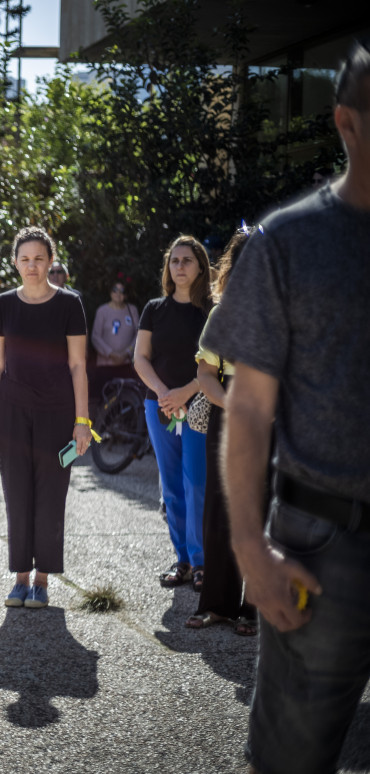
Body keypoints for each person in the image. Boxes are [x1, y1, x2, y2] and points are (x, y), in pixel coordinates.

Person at [201, 40, 370, 774]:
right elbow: (247, 408)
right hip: (322, 547)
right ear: (347, 123)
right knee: (291, 762)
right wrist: (250, 549)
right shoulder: (287, 244)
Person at [0, 227, 90, 609]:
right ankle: (20, 578)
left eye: (39, 258)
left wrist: (83, 421)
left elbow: (78, 366)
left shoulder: (70, 305)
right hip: (11, 411)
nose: (32, 265)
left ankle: (42, 579)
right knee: (17, 494)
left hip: (58, 412)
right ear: (15, 262)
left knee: (50, 496)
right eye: (24, 259)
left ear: (50, 261)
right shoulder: (2, 306)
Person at [186, 227, 256, 636]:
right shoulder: (221, 313)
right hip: (229, 410)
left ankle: (255, 608)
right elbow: (205, 373)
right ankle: (217, 605)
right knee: (220, 509)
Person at [134, 235, 211, 591]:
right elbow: (140, 358)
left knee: (196, 482)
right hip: (159, 405)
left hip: (199, 403)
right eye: (174, 261)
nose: (179, 266)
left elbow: (218, 363)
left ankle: (200, 562)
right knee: (172, 485)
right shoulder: (153, 309)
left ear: (200, 268)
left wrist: (186, 391)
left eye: (187, 261)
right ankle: (181, 559)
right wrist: (165, 393)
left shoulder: (211, 310)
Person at [89, 281, 140, 403]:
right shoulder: (102, 311)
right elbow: (95, 337)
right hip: (105, 367)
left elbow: (139, 335)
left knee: (127, 401)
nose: (118, 294)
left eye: (122, 291)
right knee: (104, 403)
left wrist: (127, 352)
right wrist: (111, 353)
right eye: (115, 290)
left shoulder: (132, 310)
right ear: (110, 292)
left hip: (126, 365)